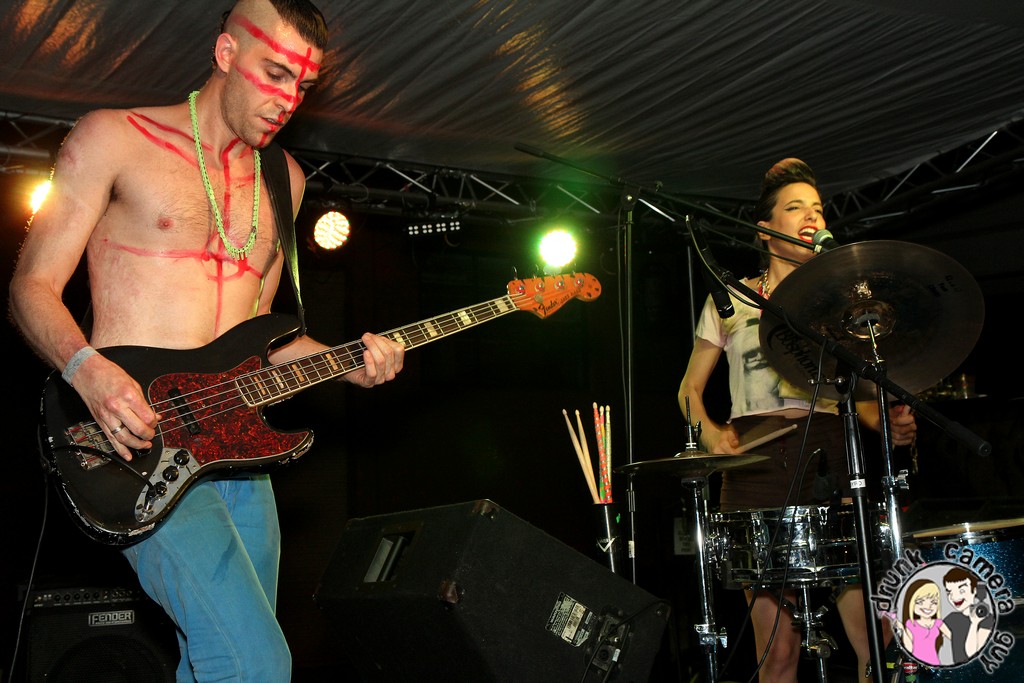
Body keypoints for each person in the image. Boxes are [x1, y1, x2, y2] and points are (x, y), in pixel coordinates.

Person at [8, 1, 405, 680]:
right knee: (256, 660)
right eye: (274, 73)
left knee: (217, 661)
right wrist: (88, 370)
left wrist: (349, 364)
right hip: (139, 442)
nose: (287, 101)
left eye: (303, 86)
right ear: (225, 53)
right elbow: (29, 287)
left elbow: (263, 336)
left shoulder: (285, 180)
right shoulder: (115, 137)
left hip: (241, 454)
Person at [677, 158, 917, 681]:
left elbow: (859, 396)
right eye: (796, 208)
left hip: (831, 454)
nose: (812, 217)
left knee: (875, 639)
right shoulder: (731, 301)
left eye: (818, 208)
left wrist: (887, 424)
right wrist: (711, 432)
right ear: (765, 229)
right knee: (778, 652)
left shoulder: (837, 303)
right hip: (755, 465)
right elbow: (689, 390)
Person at [942, 567, 994, 663]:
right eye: (949, 592)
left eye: (961, 590)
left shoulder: (986, 619)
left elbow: (971, 653)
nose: (954, 597)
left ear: (974, 590)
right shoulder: (952, 618)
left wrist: (974, 623)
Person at [896, 579, 950, 666]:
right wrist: (902, 629)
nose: (928, 606)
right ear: (911, 603)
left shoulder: (938, 623)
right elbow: (909, 649)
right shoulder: (910, 624)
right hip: (917, 665)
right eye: (920, 602)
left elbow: (954, 638)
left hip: (934, 664)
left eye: (934, 602)